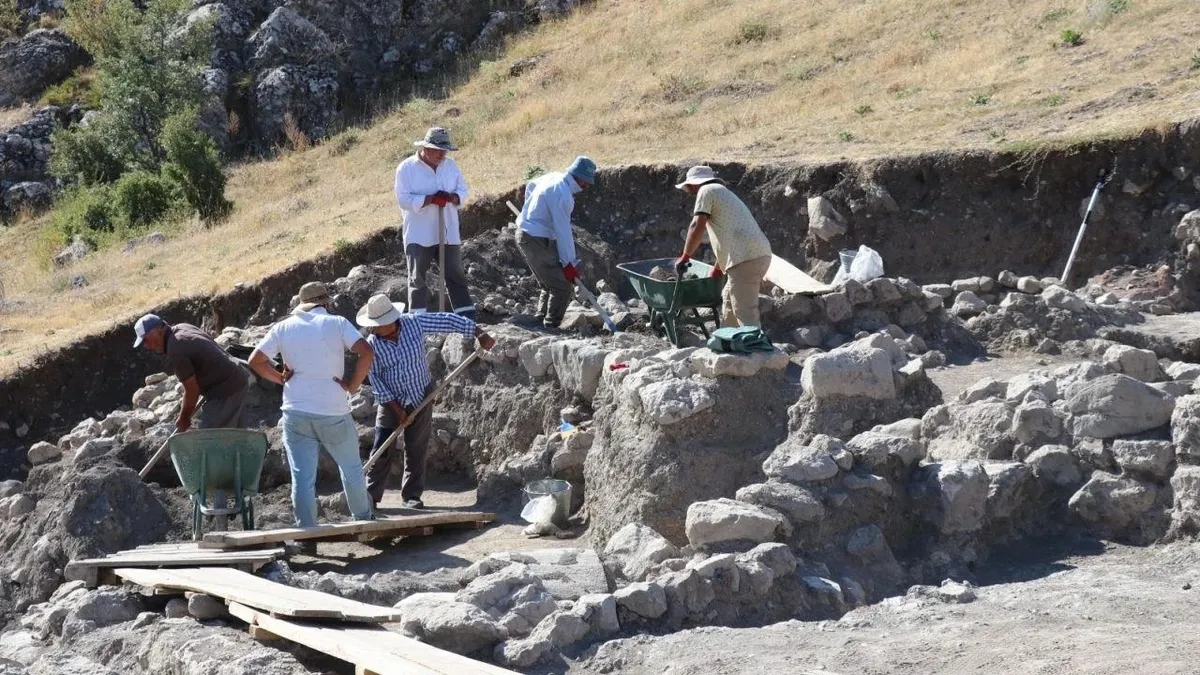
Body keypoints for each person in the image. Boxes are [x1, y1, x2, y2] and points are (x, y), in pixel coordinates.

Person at [247, 281, 375, 528]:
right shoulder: (337, 323)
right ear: (326, 303)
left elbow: (255, 360)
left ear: (302, 305)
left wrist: (280, 379)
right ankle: (363, 520)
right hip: (333, 409)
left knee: (302, 477)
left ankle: (307, 531)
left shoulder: (283, 328)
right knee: (350, 468)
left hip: (295, 411)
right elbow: (366, 352)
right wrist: (352, 386)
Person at [355, 294, 495, 509]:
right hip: (391, 401)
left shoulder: (414, 323)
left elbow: (448, 320)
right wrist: (397, 409)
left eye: (377, 325)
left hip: (421, 393)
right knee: (382, 447)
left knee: (416, 447)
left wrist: (479, 332)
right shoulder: (371, 345)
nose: (372, 329)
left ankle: (411, 495)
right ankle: (369, 497)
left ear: (391, 321)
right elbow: (376, 380)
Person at [674, 165, 773, 328]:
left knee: (744, 309)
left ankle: (757, 349)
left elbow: (696, 225)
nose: (689, 191)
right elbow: (729, 237)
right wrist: (718, 268)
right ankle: (728, 342)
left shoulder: (706, 191)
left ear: (694, 184)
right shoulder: (721, 192)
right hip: (752, 255)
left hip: (746, 258)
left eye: (688, 187)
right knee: (728, 301)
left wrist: (685, 256)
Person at [394, 127, 474, 317]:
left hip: (448, 231)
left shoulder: (451, 166)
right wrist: (429, 199)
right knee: (417, 277)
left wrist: (453, 197)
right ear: (426, 148)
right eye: (438, 149)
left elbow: (463, 190)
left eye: (444, 150)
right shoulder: (406, 168)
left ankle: (466, 317)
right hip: (419, 233)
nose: (442, 154)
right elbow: (403, 199)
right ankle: (418, 320)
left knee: (455, 274)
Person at [515, 156, 597, 329]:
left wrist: (530, 212)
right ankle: (551, 326)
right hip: (535, 238)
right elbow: (563, 231)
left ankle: (540, 318)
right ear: (579, 177)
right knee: (561, 285)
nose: (587, 186)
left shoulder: (553, 177)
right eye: (586, 182)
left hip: (526, 234)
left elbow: (531, 186)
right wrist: (569, 263)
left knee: (549, 282)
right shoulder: (563, 195)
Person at [133, 314, 251, 432]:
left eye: (146, 340)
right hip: (237, 376)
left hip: (227, 390)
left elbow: (192, 391)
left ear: (158, 330)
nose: (147, 346)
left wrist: (184, 418)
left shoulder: (176, 349)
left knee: (209, 440)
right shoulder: (182, 328)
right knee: (237, 437)